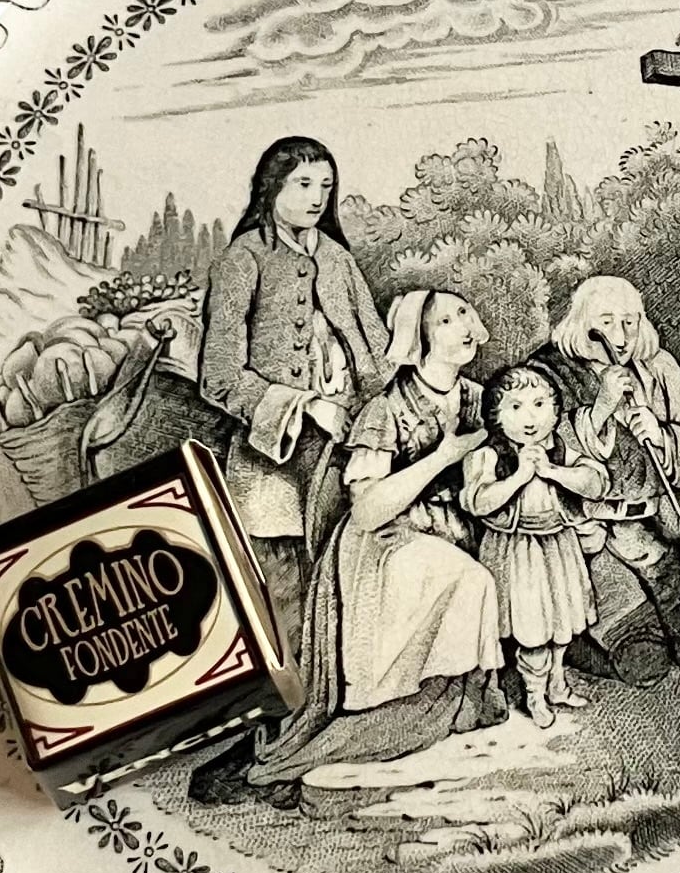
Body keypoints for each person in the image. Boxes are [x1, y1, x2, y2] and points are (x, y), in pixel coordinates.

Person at [218, 287, 510, 802]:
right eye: (446, 320)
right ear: (419, 338)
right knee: (469, 580)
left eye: (465, 312)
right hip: (383, 544)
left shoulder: (476, 398)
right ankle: (396, 717)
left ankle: (452, 703)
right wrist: (443, 458)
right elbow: (369, 511)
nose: (465, 325)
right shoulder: (386, 409)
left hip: (452, 530)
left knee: (486, 575)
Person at [193, 137, 379, 665]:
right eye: (303, 184)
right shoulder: (242, 259)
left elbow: (375, 350)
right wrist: (306, 405)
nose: (317, 197)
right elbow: (219, 377)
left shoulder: (339, 260)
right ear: (271, 188)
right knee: (280, 590)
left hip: (342, 449)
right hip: (270, 454)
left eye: (326, 186)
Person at [538, 274, 680, 675]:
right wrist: (601, 409)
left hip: (649, 521)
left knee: (679, 604)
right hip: (584, 530)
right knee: (630, 645)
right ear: (583, 323)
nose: (620, 337)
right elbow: (543, 451)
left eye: (629, 322)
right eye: (606, 322)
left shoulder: (658, 366)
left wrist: (663, 435)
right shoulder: (554, 376)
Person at [459, 360, 611, 723]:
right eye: (515, 407)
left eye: (540, 404)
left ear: (555, 412)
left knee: (562, 625)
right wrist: (520, 476)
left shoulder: (556, 451)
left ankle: (557, 683)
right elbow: (477, 501)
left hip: (558, 547)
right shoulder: (489, 455)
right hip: (517, 553)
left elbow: (597, 482)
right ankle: (534, 696)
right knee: (534, 630)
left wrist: (553, 471)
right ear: (496, 415)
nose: (530, 418)